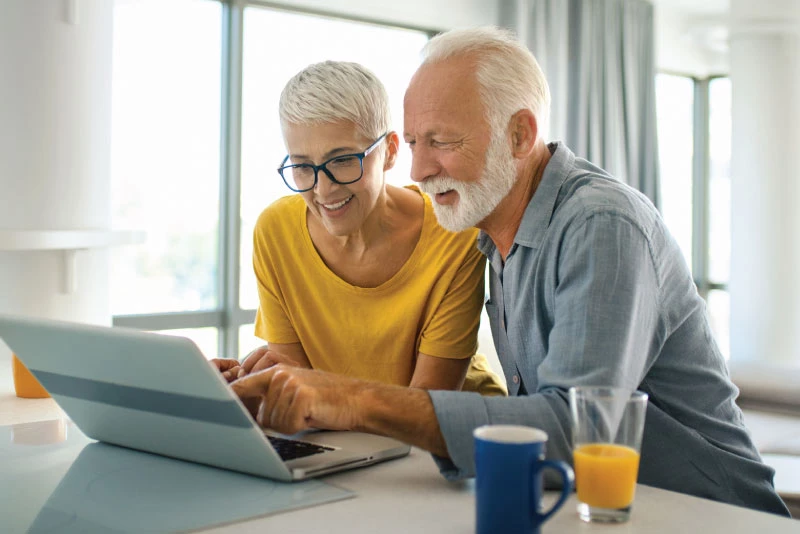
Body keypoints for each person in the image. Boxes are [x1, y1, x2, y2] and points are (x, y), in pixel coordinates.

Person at [230, 28, 789, 515]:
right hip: (590, 508)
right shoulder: (491, 233)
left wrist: (352, 398)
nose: (420, 171)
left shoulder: (600, 224)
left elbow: (574, 432)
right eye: (418, 143)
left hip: (706, 515)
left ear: (520, 135)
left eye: (444, 143)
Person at [213, 60, 505, 400]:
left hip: (453, 440)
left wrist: (308, 393)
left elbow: (429, 408)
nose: (323, 190)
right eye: (303, 166)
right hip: (347, 438)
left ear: (390, 151)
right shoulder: (275, 232)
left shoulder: (453, 232)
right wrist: (247, 385)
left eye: (342, 160)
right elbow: (298, 397)